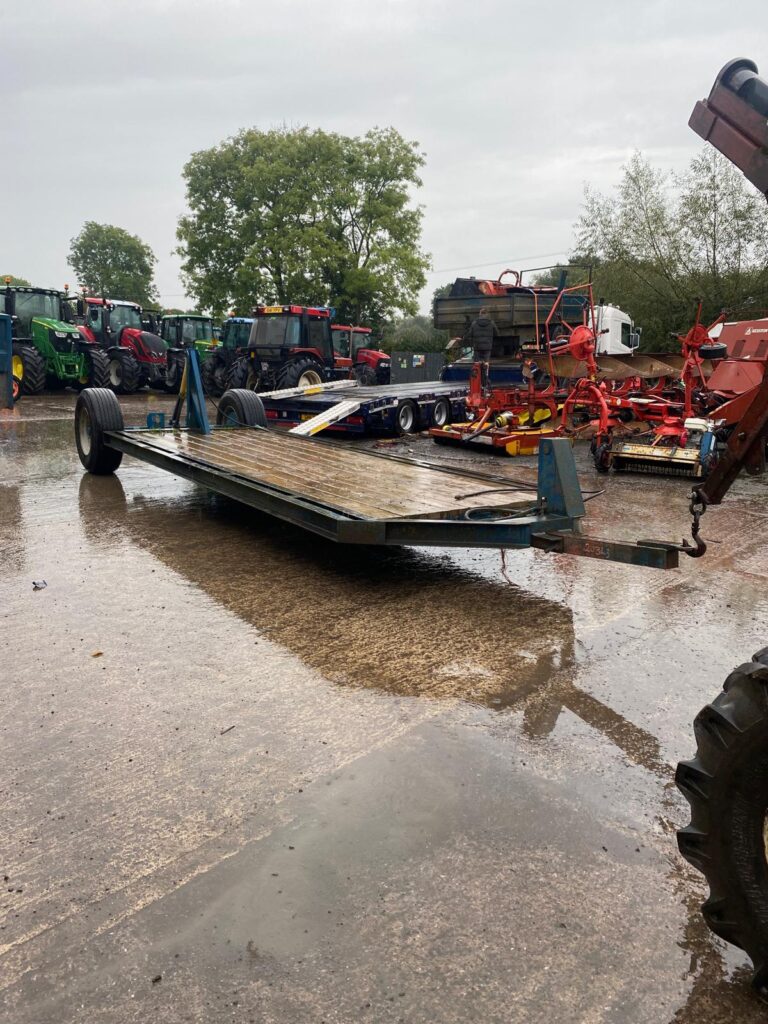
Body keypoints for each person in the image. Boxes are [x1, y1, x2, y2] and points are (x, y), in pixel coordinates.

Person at [463, 307, 498, 386]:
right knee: (486, 364)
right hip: (487, 347)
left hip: (477, 347)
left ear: (480, 314)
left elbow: (470, 334)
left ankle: (477, 382)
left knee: (477, 364)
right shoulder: (491, 323)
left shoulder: (474, 323)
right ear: (487, 314)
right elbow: (496, 333)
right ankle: (485, 381)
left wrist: (463, 338)